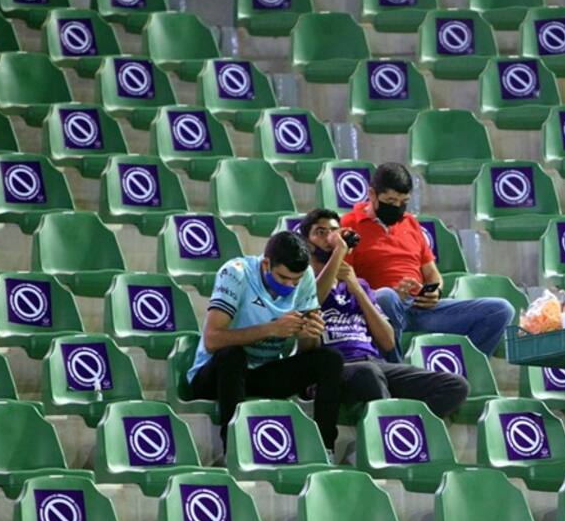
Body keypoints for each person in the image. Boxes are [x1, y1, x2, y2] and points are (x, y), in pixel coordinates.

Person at [300, 208, 470, 418]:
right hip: (335, 370)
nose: (330, 238)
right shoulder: (301, 282)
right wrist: (338, 255)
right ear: (307, 242)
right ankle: (388, 438)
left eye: (334, 231)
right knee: (368, 373)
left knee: (455, 385)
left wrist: (357, 289)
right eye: (321, 232)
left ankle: (405, 429)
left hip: (375, 363)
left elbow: (388, 342)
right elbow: (313, 300)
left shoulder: (359, 284)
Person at [340, 162, 515, 361]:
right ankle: (397, 373)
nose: (397, 207)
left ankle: (466, 370)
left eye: (403, 201)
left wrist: (434, 291)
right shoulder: (349, 224)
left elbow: (432, 274)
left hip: (420, 306)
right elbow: (344, 281)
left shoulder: (410, 223)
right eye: (390, 200)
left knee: (500, 309)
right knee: (386, 296)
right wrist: (387, 293)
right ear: (372, 194)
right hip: (379, 308)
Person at [187, 231, 344, 454]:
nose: (289, 286)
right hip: (216, 375)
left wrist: (308, 333)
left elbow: (307, 350)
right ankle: (234, 450)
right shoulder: (236, 273)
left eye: (295, 281)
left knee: (330, 359)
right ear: (266, 264)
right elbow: (212, 340)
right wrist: (271, 329)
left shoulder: (306, 276)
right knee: (232, 355)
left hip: (262, 373)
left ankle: (324, 449)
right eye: (282, 278)